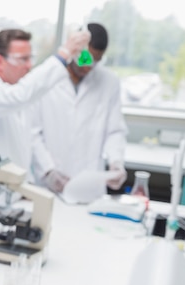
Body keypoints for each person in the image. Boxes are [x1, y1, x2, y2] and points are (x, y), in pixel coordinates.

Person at [0, 28, 91, 180]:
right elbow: (20, 95)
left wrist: (42, 175)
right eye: (22, 59)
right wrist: (63, 54)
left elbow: (25, 146)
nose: (29, 65)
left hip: (16, 191)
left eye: (30, 58)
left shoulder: (18, 95)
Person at [31, 23, 128, 194]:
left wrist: (116, 162)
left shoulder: (109, 82)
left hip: (89, 186)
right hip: (49, 185)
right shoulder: (46, 77)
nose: (88, 66)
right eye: (86, 58)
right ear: (76, 49)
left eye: (96, 61)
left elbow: (115, 131)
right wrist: (48, 171)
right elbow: (33, 133)